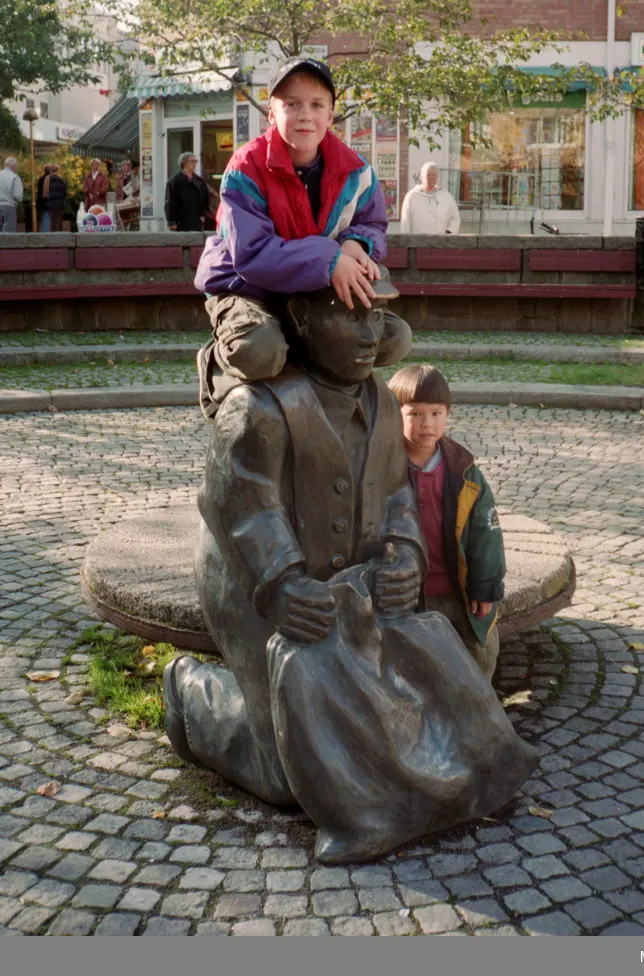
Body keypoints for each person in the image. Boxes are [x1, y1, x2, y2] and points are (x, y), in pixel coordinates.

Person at [162, 283, 535, 863]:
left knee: (414, 696)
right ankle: (192, 695)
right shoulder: (256, 409)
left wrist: (404, 554)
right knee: (287, 775)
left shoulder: (383, 401)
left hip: (353, 578)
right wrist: (281, 583)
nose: (369, 336)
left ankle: (445, 776)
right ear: (304, 318)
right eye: (349, 317)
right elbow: (243, 510)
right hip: (253, 588)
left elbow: (395, 497)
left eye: (378, 317)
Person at [194, 55, 411, 418]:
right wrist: (329, 261)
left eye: (316, 105)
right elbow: (252, 254)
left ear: (330, 115)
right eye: (291, 104)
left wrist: (356, 243)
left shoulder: (357, 172)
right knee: (260, 349)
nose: (304, 115)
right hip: (246, 287)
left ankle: (306, 370)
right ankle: (218, 364)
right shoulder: (244, 169)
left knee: (393, 339)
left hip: (312, 291)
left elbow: (372, 223)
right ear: (271, 112)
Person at [388, 363, 504, 680]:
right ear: (395, 415)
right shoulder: (384, 469)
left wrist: (485, 587)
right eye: (415, 414)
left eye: (436, 413)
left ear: (447, 414)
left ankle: (474, 722)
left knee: (478, 656)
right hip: (406, 594)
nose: (427, 424)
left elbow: (487, 534)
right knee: (409, 667)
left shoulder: (463, 473)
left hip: (458, 589)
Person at [400, 162, 460, 235]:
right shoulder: (412, 196)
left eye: (434, 175)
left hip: (440, 243)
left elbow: (455, 218)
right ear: (422, 176)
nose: (431, 177)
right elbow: (405, 221)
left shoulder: (446, 197)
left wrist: (448, 233)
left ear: (437, 177)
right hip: (417, 242)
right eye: (428, 174)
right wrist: (406, 241)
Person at [165, 152, 210, 232]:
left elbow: (205, 200)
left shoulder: (200, 181)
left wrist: (203, 216)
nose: (195, 164)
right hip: (181, 222)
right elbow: (170, 203)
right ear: (184, 164)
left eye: (196, 161)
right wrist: (171, 222)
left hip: (197, 221)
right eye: (192, 161)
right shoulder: (174, 182)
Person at [36, 162, 67, 233]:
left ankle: (49, 236)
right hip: (59, 205)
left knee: (50, 224)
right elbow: (64, 193)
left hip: (49, 204)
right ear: (57, 170)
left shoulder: (47, 179)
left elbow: (45, 193)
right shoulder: (61, 180)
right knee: (58, 223)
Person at [0, 158, 23, 234]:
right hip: (9, 206)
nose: (17, 167)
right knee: (9, 235)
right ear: (12, 165)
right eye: (16, 165)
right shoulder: (14, 177)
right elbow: (17, 195)